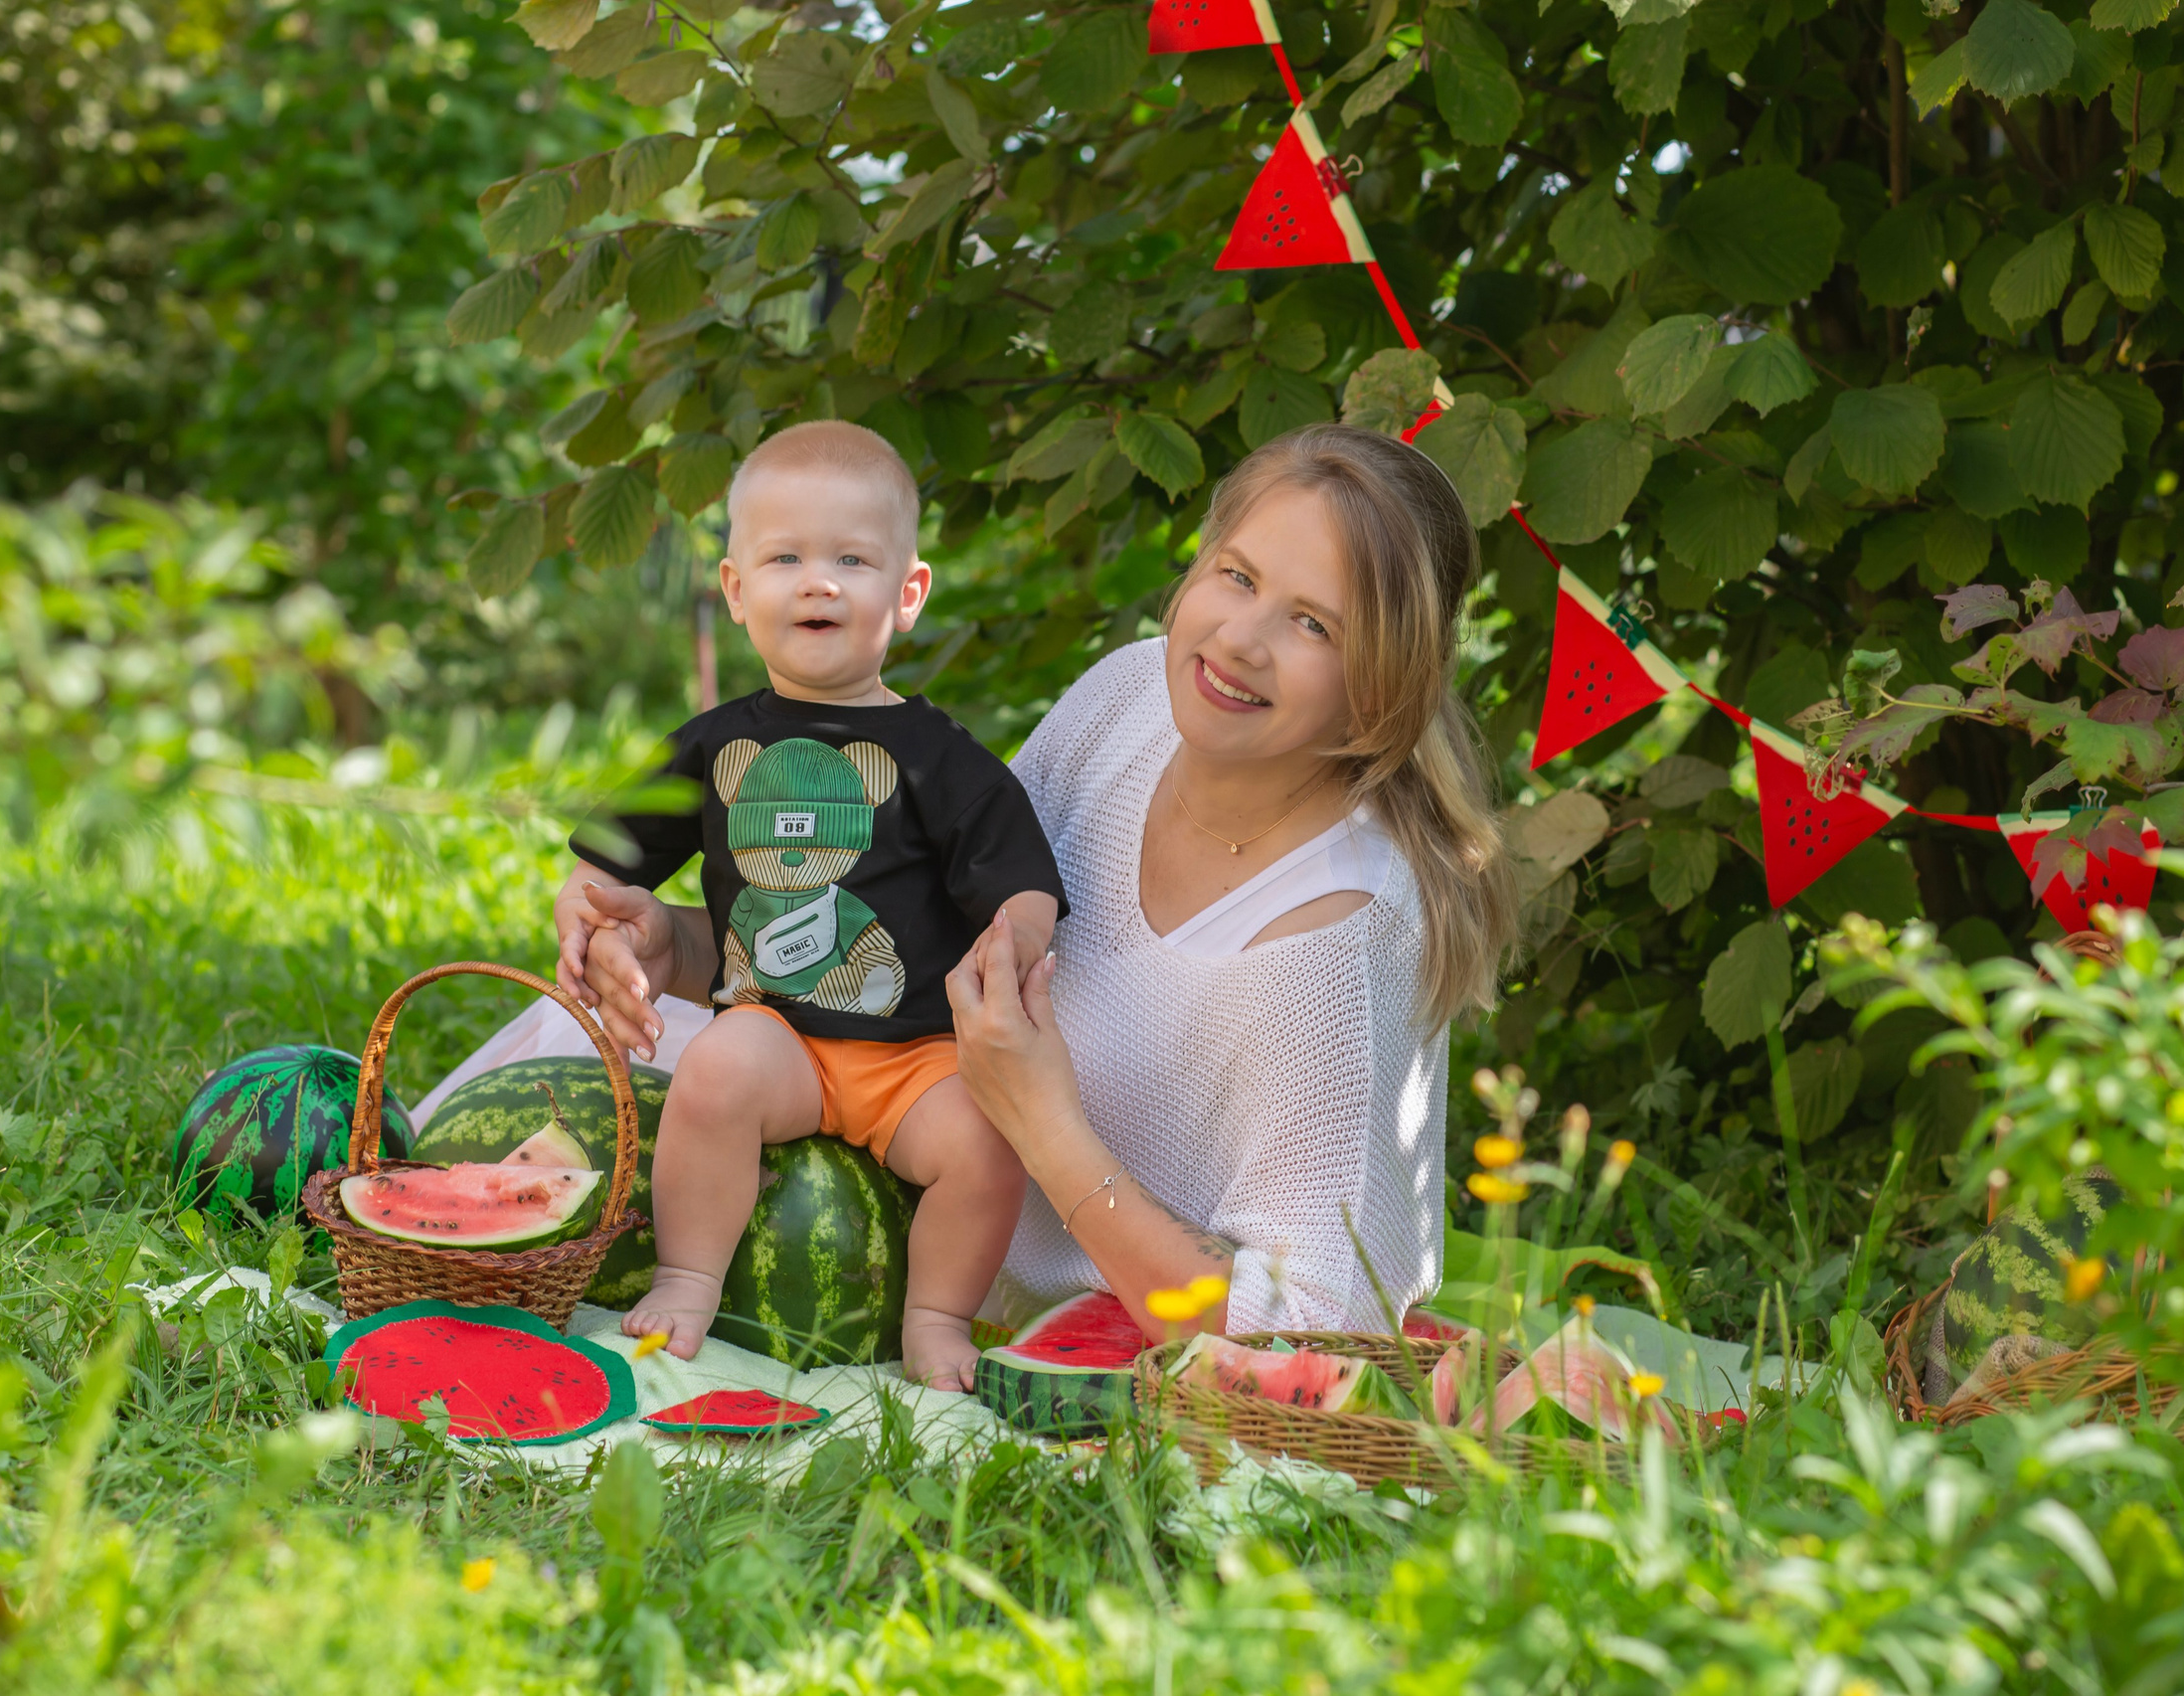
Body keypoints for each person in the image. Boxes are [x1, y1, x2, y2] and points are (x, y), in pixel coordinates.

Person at [570, 422, 1515, 1345]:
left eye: (1313, 623)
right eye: (1238, 575)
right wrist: (679, 946)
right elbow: (891, 936)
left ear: (1382, 685)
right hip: (869, 1195)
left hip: (1063, 1335)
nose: (1240, 641)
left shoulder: (1331, 946)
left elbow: (1320, 1331)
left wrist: (1045, 1130)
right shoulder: (1129, 698)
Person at [556, 420, 1064, 1389]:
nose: (817, 580)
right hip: (777, 1035)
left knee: (987, 1141)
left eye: (851, 558)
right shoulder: (711, 747)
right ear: (738, 591)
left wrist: (1019, 935)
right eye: (784, 556)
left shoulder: (933, 755)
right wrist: (582, 916)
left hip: (914, 1055)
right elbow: (599, 861)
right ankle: (688, 1273)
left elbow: (1021, 878)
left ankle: (935, 1315)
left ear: (906, 593)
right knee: (712, 1072)